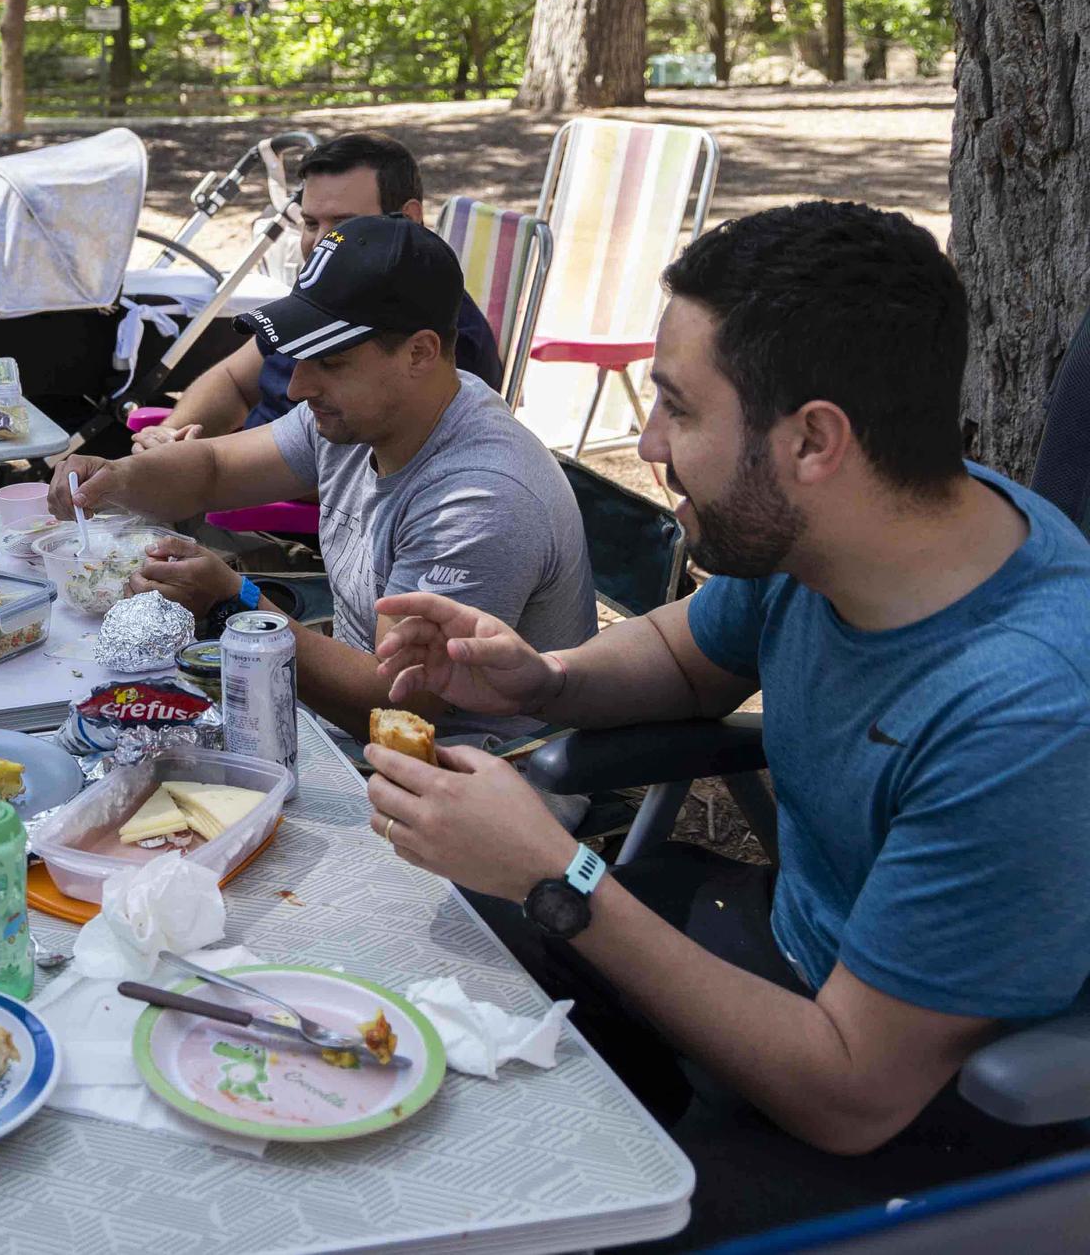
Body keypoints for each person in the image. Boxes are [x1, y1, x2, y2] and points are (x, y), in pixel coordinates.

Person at [365, 202, 1090, 1243]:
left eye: (676, 409)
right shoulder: (852, 530)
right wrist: (536, 675)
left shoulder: (1025, 712)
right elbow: (678, 655)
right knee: (403, 973)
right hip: (775, 953)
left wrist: (556, 877)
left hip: (911, 1118)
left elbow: (852, 1095)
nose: (646, 443)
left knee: (521, 1209)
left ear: (811, 441)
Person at [49, 215, 594, 745]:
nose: (297, 387)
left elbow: (397, 708)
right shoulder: (371, 415)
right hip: (346, 724)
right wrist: (115, 476)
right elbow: (214, 469)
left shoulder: (479, 499)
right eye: (300, 357)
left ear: (420, 352)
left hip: (471, 772)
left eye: (330, 361)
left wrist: (235, 604)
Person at [133, 131, 502, 452]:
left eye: (345, 225)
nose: (321, 243)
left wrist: (203, 462)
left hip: (283, 516)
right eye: (311, 223)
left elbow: (350, 470)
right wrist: (171, 433)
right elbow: (235, 381)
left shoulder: (426, 341)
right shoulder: (323, 293)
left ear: (408, 219)